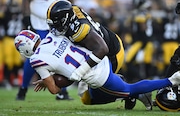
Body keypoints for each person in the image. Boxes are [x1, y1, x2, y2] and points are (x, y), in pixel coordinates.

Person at [14, 30, 180, 108]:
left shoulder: (36, 59)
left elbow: (54, 89)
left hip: (97, 76)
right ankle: (129, 90)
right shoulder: (53, 35)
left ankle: (171, 80)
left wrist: (48, 80)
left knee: (130, 90)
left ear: (25, 49)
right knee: (88, 99)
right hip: (98, 60)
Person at [45, 0, 138, 109]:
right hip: (99, 51)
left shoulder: (80, 29)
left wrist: (80, 71)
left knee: (98, 92)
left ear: (65, 19)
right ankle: (125, 90)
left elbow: (102, 49)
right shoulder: (72, 12)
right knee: (84, 97)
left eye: (57, 23)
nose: (54, 28)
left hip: (111, 53)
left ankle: (133, 92)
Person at [16, 0, 73, 101]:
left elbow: (69, 0)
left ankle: (62, 91)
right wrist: (27, 18)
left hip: (58, 23)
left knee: (60, 53)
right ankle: (23, 88)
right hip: (39, 24)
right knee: (35, 55)